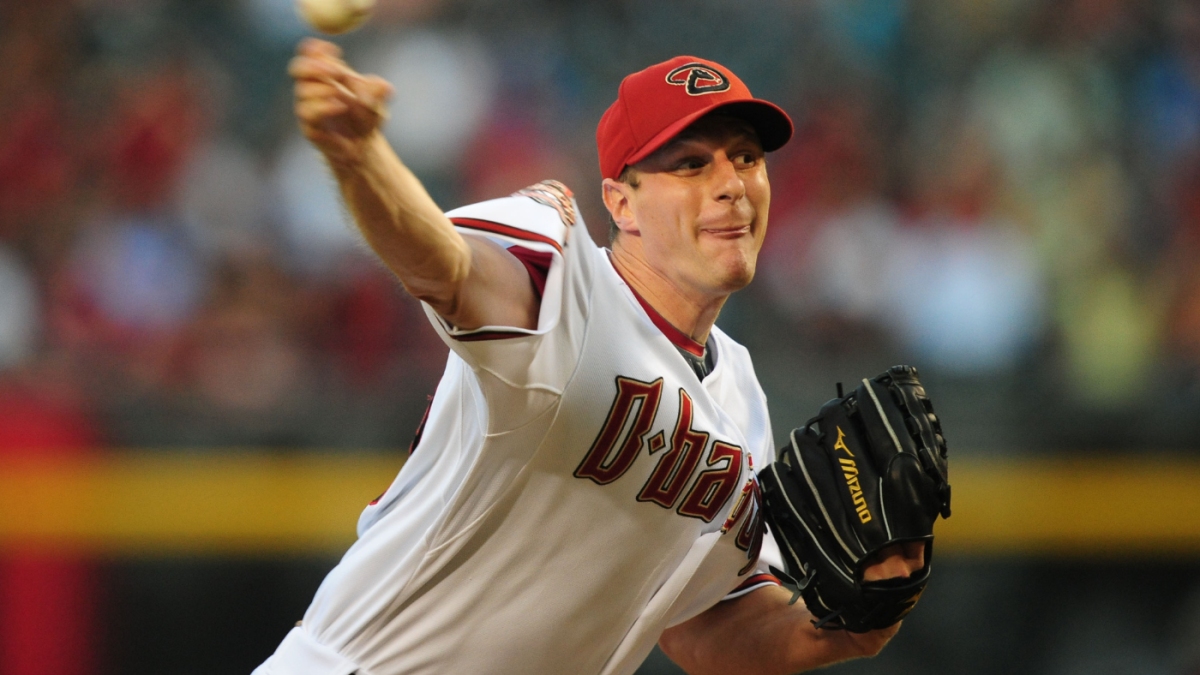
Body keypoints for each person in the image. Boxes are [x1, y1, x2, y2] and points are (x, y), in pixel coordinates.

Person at [256, 39, 924, 675]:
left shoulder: (740, 392)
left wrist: (845, 626)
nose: (733, 185)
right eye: (692, 164)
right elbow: (445, 266)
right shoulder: (567, 280)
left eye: (746, 158)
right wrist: (361, 159)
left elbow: (701, 627)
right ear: (621, 201)